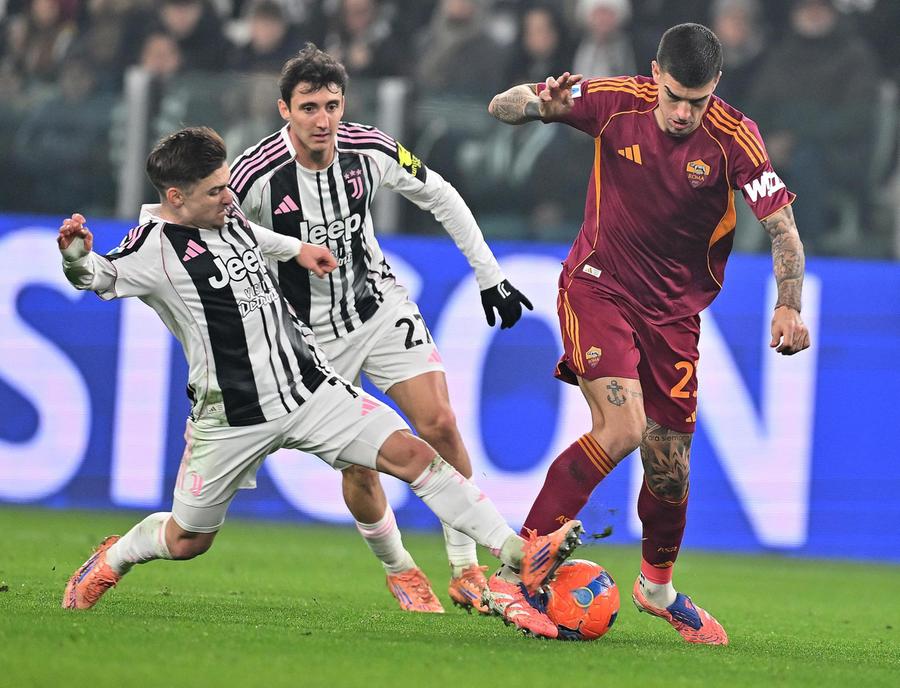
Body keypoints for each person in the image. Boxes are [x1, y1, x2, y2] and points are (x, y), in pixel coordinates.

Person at [58, 126, 583, 616]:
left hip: (310, 388)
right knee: (187, 539)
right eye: (215, 190)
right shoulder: (151, 248)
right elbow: (98, 275)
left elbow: (253, 236)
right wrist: (76, 258)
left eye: (226, 185)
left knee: (414, 453)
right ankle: (115, 557)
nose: (229, 197)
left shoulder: (223, 214)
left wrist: (299, 250)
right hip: (233, 415)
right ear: (176, 197)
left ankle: (517, 552)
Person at [485, 23, 810, 641]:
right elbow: (502, 105)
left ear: (716, 86)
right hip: (598, 286)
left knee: (669, 468)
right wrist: (537, 104)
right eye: (675, 96)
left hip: (674, 316)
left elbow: (783, 228)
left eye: (698, 100)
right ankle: (511, 574)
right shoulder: (615, 100)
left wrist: (788, 305)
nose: (684, 112)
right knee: (623, 427)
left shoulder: (735, 136)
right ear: (656, 74)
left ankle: (656, 588)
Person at [229, 44, 534, 614]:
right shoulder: (255, 174)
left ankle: (466, 570)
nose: (323, 120)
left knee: (440, 423)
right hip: (310, 337)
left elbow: (441, 195)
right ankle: (400, 569)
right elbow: (217, 234)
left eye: (332, 105)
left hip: (377, 308)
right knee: (360, 464)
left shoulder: (369, 150)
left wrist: (489, 274)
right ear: (284, 110)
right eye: (309, 108)